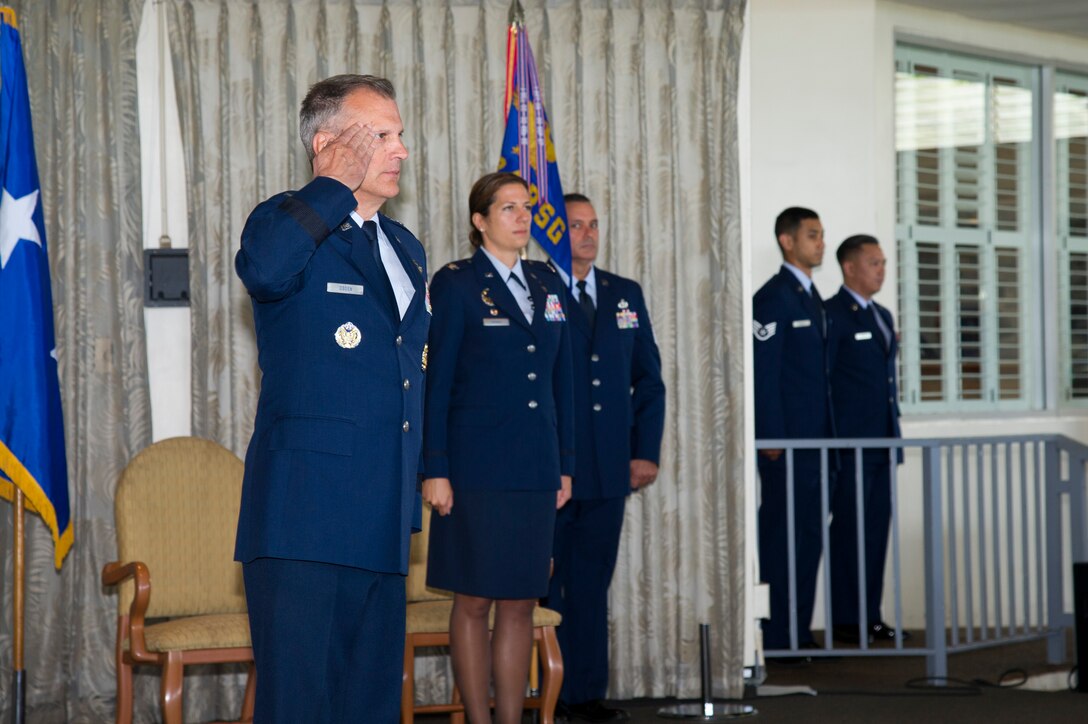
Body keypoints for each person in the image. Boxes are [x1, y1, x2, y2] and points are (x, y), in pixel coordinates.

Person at [234, 74, 429, 722]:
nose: (401, 149)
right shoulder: (285, 221)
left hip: (383, 518)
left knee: (370, 708)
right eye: (382, 135)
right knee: (301, 708)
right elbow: (263, 268)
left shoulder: (405, 248)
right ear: (327, 144)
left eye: (401, 134)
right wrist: (331, 186)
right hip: (305, 520)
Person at [421, 171, 574, 724]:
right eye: (507, 208)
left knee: (520, 601)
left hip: (535, 467)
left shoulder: (548, 283)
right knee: (474, 600)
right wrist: (434, 467)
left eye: (525, 207)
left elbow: (564, 382)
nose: (521, 217)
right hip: (474, 468)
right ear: (479, 220)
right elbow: (436, 382)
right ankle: (479, 719)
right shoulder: (457, 283)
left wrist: (566, 465)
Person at [543, 193, 666, 722]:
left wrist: (645, 452)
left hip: (611, 467)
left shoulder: (624, 293)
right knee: (544, 587)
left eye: (594, 225)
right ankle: (540, 695)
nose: (588, 235)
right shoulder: (536, 288)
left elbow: (648, 381)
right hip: (551, 471)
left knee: (592, 585)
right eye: (575, 225)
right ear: (554, 231)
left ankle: (585, 695)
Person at [752, 206, 835, 654]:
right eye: (812, 235)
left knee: (808, 536)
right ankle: (780, 635)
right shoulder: (774, 298)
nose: (820, 243)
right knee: (784, 539)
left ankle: (799, 631)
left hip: (815, 444)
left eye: (821, 235)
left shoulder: (811, 295)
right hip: (785, 447)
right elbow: (765, 375)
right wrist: (772, 436)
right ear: (787, 241)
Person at [825, 235, 907, 644]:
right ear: (850, 267)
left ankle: (870, 615)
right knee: (850, 533)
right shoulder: (832, 314)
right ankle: (845, 619)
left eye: (883, 263)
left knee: (876, 532)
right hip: (850, 445)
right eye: (873, 263)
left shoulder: (882, 314)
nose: (881, 270)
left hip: (883, 442)